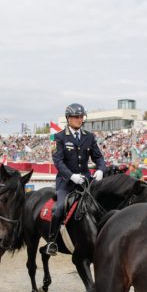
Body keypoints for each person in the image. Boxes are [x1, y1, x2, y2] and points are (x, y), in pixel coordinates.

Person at [46, 103, 106, 256]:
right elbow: (58, 161)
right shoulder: (58, 137)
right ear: (68, 118)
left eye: (81, 117)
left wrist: (100, 169)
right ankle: (52, 241)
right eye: (76, 117)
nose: (79, 119)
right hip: (66, 183)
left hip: (86, 181)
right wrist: (71, 175)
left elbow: (98, 157)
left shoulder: (89, 137)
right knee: (59, 209)